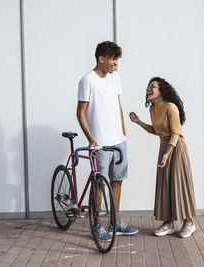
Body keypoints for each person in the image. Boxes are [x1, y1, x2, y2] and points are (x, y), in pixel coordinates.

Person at [77, 41, 138, 241]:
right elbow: (80, 113)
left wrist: (123, 131)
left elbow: (118, 105)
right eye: (112, 59)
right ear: (101, 59)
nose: (115, 64)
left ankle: (115, 223)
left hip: (118, 141)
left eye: (117, 60)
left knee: (117, 181)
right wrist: (91, 139)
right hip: (100, 143)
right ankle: (96, 226)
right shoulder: (87, 80)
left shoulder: (115, 77)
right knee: (98, 185)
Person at [129, 77, 197, 238]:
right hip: (164, 145)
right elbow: (155, 130)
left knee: (179, 183)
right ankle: (169, 222)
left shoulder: (171, 107)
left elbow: (175, 133)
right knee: (164, 184)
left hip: (176, 147)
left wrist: (167, 154)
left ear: (162, 90)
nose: (149, 89)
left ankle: (189, 222)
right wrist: (138, 122)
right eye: (148, 86)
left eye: (153, 86)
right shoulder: (153, 109)